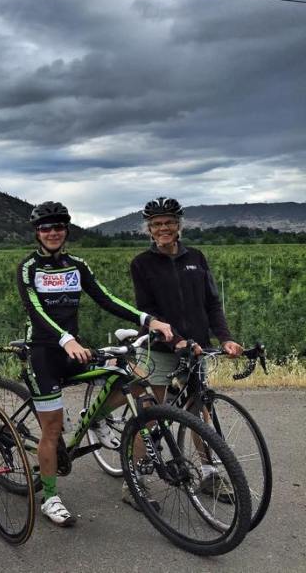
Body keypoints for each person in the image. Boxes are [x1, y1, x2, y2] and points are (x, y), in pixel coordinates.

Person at [16, 201, 173, 527]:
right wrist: (66, 339)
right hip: (43, 352)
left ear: (66, 230)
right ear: (37, 233)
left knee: (125, 373)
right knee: (52, 428)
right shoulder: (28, 268)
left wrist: (148, 319)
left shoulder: (77, 265)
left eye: (59, 226)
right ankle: (50, 497)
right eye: (46, 227)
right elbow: (36, 313)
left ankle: (95, 416)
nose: (53, 232)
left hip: (72, 350)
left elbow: (105, 297)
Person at [127, 196, 243, 507]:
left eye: (169, 222)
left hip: (196, 349)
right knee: (152, 414)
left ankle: (208, 473)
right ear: (149, 230)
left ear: (179, 225)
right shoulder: (142, 263)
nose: (163, 228)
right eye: (157, 224)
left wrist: (225, 338)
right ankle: (134, 480)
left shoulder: (197, 257)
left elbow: (212, 303)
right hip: (160, 349)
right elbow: (147, 311)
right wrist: (176, 339)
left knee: (199, 411)